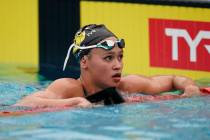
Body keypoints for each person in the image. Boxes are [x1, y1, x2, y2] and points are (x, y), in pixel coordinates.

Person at [14, 24, 200, 108]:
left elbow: (174, 80)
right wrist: (74, 102)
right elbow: (24, 103)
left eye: (120, 57)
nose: (117, 65)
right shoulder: (70, 88)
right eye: (108, 58)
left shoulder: (128, 85)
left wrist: (189, 86)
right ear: (84, 61)